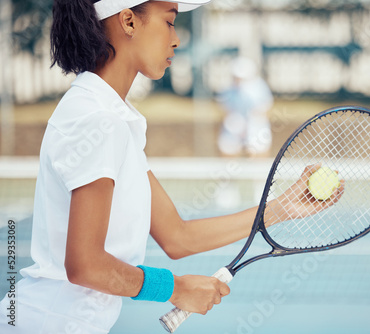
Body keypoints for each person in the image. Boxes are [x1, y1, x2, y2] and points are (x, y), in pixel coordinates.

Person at [0, 1, 343, 333]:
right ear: (128, 21)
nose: (176, 38)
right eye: (169, 21)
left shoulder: (111, 118)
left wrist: (282, 207)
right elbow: (85, 265)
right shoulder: (98, 119)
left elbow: (176, 237)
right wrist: (175, 289)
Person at [217, 57, 274, 157]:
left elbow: (265, 110)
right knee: (228, 151)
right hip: (234, 125)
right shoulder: (228, 90)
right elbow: (224, 110)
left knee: (258, 155)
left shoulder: (259, 88)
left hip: (256, 126)